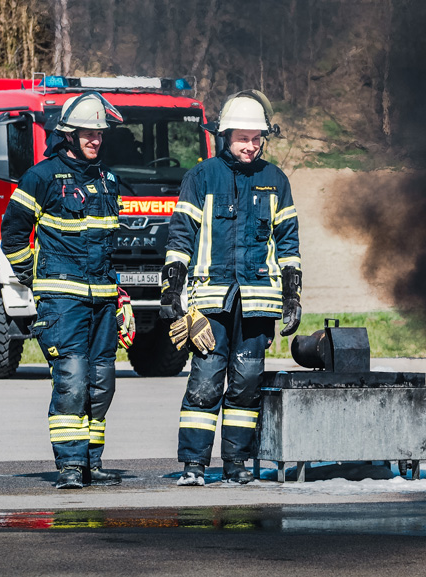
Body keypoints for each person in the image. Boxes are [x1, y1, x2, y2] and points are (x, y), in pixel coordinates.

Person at [160, 90, 302, 486]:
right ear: (225, 136)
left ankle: (237, 464)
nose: (251, 146)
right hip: (210, 302)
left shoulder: (275, 180)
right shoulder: (201, 177)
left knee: (247, 384)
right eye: (243, 138)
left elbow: (288, 242)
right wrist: (173, 290)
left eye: (257, 139)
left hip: (257, 302)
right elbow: (180, 237)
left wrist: (292, 295)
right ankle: (193, 464)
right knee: (205, 381)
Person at [1, 92, 131, 489]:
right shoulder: (40, 177)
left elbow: (108, 245)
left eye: (99, 133)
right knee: (72, 379)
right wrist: (31, 275)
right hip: (62, 300)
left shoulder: (108, 179)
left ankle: (92, 462)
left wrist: (120, 295)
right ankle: (70, 466)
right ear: (69, 135)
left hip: (103, 300)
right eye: (88, 133)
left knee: (102, 381)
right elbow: (13, 234)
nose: (95, 139)